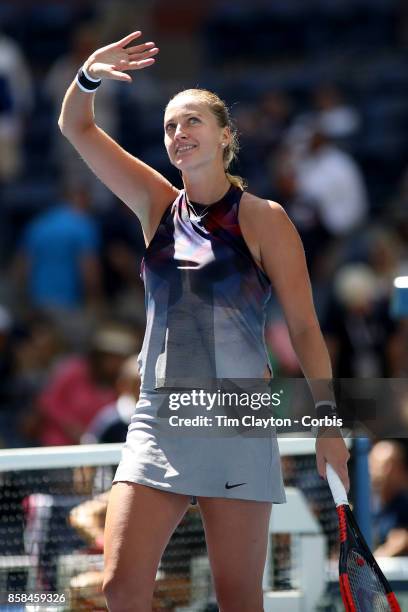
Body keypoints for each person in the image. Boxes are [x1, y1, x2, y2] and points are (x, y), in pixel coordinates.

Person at [58, 30, 350, 612]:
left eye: (191, 121)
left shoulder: (265, 219)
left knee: (240, 598)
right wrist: (88, 75)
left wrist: (328, 423)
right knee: (119, 586)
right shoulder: (155, 205)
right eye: (169, 126)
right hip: (158, 417)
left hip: (237, 416)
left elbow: (306, 330)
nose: (178, 133)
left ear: (224, 135)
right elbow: (77, 127)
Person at [369, 440, 408, 557]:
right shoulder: (360, 505)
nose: (382, 472)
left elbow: (401, 540)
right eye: (375, 465)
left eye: (389, 465)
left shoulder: (404, 504)